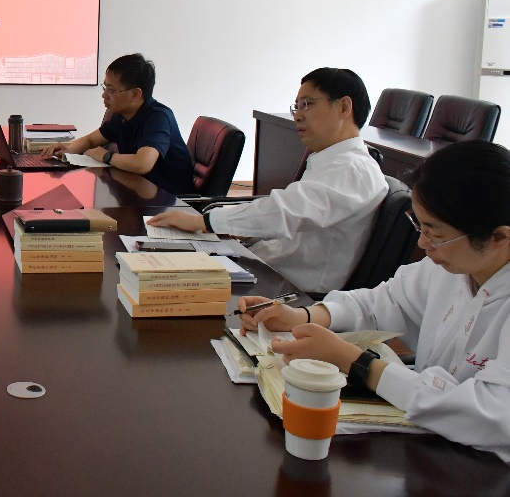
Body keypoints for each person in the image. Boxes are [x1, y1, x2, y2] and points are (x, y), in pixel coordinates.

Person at [237, 140, 510, 463]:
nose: (423, 244)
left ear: (499, 237)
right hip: (429, 448)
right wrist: (303, 316)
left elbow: (492, 417)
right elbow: (380, 303)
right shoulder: (452, 266)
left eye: (436, 235)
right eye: (420, 227)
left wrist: (359, 364)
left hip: (484, 468)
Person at [148, 67, 387, 293]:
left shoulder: (352, 169)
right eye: (296, 107)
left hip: (285, 287)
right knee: (155, 259)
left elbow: (284, 212)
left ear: (344, 106)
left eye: (307, 104)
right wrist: (237, 230)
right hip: (264, 265)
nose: (298, 116)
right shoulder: (333, 161)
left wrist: (204, 222)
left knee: (158, 278)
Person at [41, 53, 193, 194]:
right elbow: (91, 140)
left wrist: (106, 156)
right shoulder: (121, 116)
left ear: (135, 94)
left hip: (170, 199)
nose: (104, 95)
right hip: (140, 190)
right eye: (105, 87)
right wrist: (66, 150)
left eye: (111, 90)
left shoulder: (158, 117)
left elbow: (143, 163)